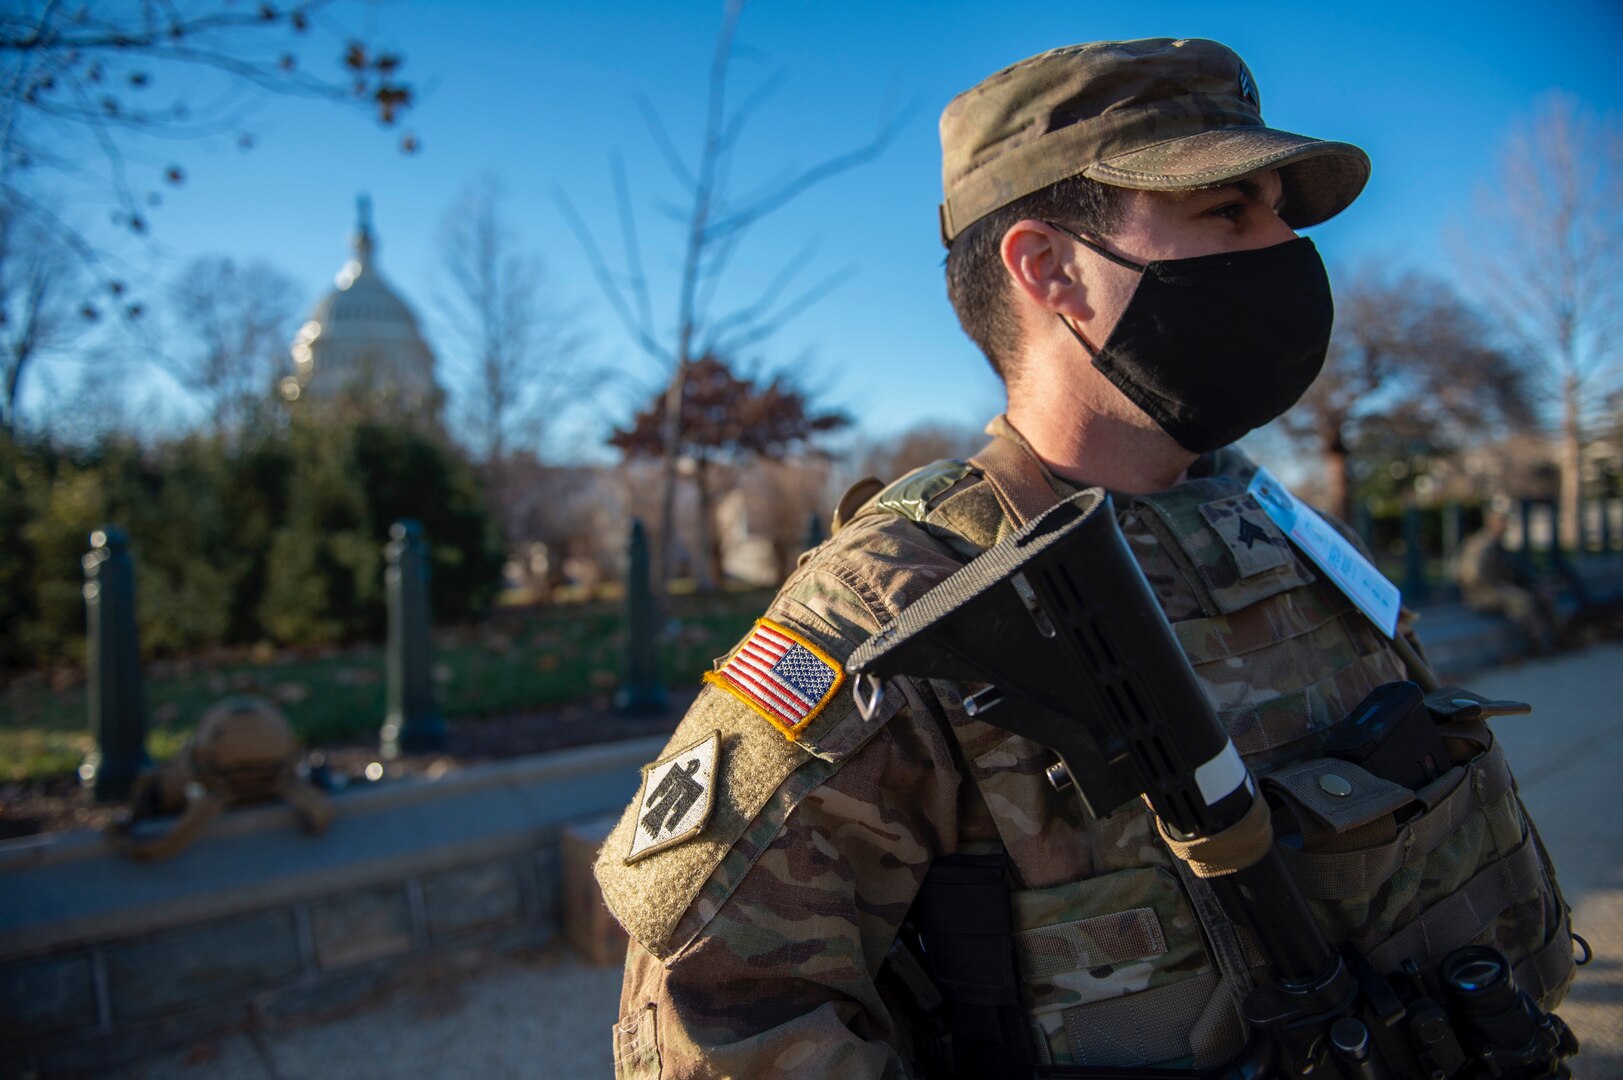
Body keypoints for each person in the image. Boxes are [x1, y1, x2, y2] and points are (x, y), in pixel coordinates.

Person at [595, 38, 1573, 1079]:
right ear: (1051, 268)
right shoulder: (900, 608)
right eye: (1228, 211)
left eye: (1281, 208)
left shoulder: (1272, 520)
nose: (1287, 244)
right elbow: (712, 1022)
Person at [1455, 506, 1562, 654]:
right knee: (1522, 600)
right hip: (1480, 595)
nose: (1505, 526)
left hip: (1497, 589)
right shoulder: (1481, 545)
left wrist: (1534, 584)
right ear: (1491, 522)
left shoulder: (1496, 544)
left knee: (1542, 594)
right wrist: (1498, 586)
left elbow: (1512, 573)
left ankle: (1557, 638)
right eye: (1502, 522)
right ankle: (1538, 643)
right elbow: (1472, 576)